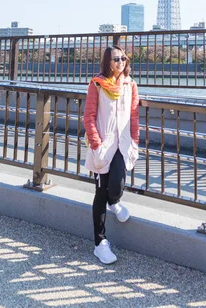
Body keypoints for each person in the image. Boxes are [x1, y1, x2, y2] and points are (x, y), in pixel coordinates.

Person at [83, 46, 139, 264]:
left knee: (117, 183)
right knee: (100, 191)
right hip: (104, 145)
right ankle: (100, 243)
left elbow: (134, 116)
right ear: (107, 62)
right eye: (116, 59)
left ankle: (114, 201)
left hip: (123, 144)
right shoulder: (97, 84)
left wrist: (135, 140)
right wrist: (96, 144)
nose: (121, 62)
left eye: (123, 58)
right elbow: (89, 116)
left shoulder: (130, 85)